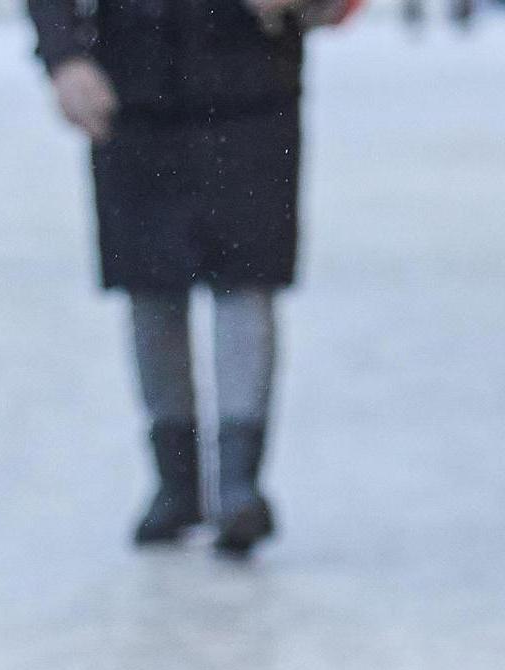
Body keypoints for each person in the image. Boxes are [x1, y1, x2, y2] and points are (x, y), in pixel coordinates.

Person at [31, 0, 322, 554]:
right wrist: (65, 57)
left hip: (253, 85)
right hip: (134, 86)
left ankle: (240, 486)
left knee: (246, 282)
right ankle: (176, 484)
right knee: (151, 289)